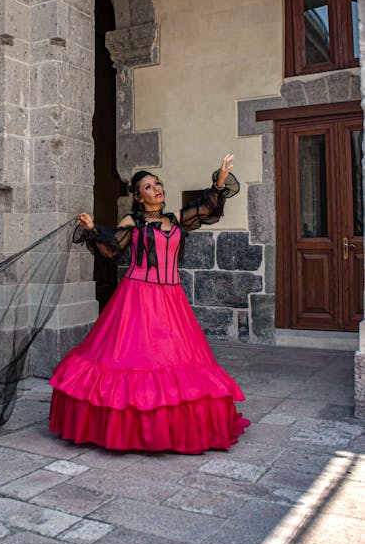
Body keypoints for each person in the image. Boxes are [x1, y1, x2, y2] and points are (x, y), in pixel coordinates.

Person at [49, 155, 249, 454]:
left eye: (157, 184)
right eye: (148, 186)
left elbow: (207, 208)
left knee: (175, 359)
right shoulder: (133, 221)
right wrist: (92, 229)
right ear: (137, 196)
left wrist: (219, 181)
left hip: (171, 298)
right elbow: (112, 247)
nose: (156, 188)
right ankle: (127, 427)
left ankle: (172, 427)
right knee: (134, 357)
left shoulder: (177, 218)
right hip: (137, 296)